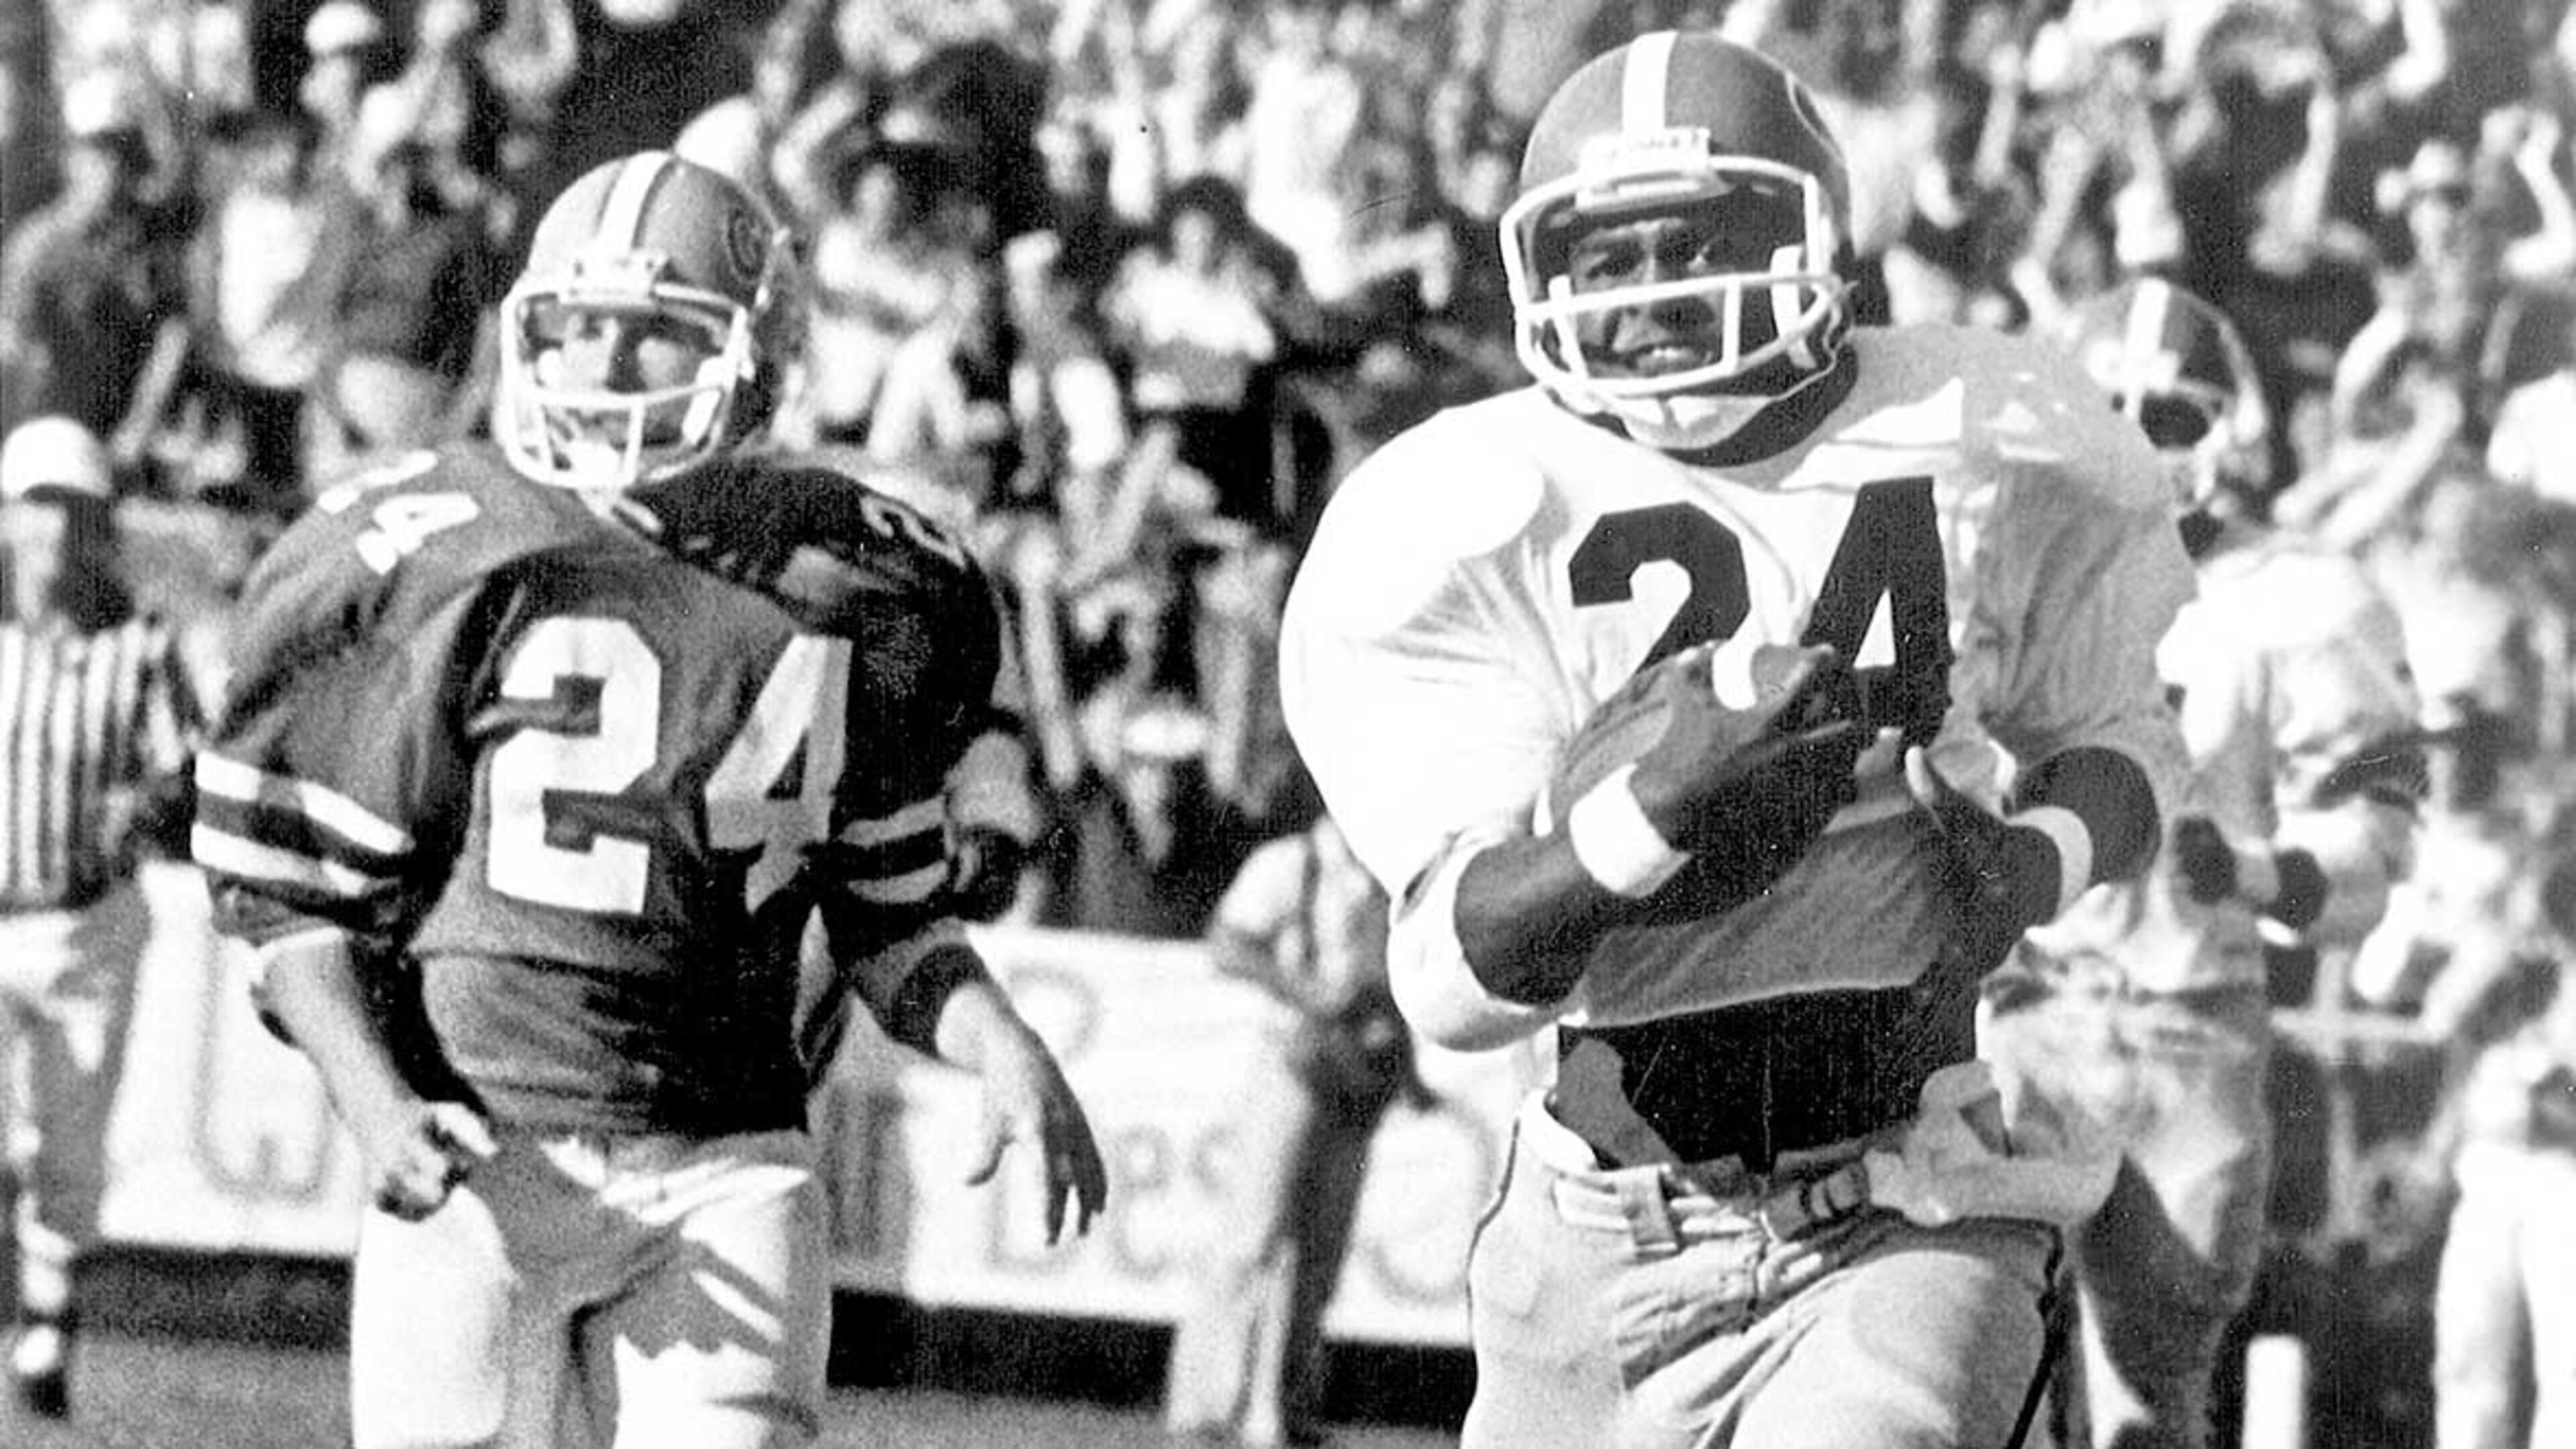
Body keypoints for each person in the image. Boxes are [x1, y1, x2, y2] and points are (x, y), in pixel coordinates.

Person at [1277, 32, 2196, 1449]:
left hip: (1908, 1193)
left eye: (1698, 239)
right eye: (1608, 253)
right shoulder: (1474, 501)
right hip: (1602, 1231)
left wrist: (2036, 866)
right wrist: (1648, 818)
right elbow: (1453, 983)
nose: (1655, 291)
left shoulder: (1977, 423)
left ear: (1813, 237)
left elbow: (2125, 730)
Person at [189, 151, 1107, 1449]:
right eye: (579, 329)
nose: (604, 366)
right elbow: (295, 916)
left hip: (728, 1163)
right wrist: (374, 1102)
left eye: (651, 334)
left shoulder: (854, 578)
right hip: (482, 1148)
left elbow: (891, 916)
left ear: (756, 357)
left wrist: (1000, 1041)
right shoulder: (431, 551)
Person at [1986, 277, 2423, 1449]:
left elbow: (2381, 833)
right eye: (2108, 407)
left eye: (2169, 414)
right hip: (2021, 1015)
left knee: (2151, 1402)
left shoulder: (2302, 596)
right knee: (1984, 1376)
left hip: (2185, 1026)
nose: (2135, 438)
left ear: (2229, 432)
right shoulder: (1994, 565)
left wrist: (2255, 872)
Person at [0, 415, 203, 1419]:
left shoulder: (140, 647)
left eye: (75, 514)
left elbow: (187, 768)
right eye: (38, 510)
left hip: (87, 924)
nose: (55, 534)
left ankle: (47, 1321)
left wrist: (150, 804)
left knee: (69, 1140)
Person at [1162, 809, 1422, 1449]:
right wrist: (1305, 990)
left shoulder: (1392, 871)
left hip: (1359, 1071)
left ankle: (1283, 1404)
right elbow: (1228, 942)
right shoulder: (1291, 864)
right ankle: (1211, 1404)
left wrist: (1408, 1074)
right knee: (1253, 1234)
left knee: (1323, 1248)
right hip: (1292, 1060)